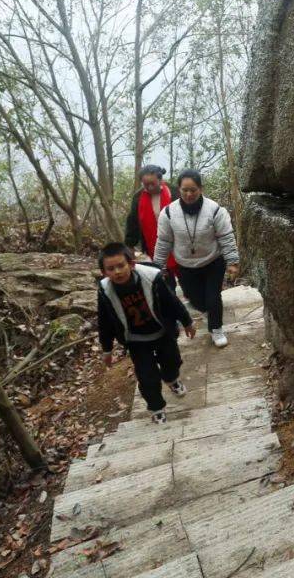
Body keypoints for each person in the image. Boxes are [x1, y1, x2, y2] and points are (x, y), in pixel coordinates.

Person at [97, 242, 196, 424]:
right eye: (111, 269)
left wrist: (187, 321)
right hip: (136, 340)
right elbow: (104, 321)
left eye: (121, 266)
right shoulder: (106, 292)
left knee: (172, 361)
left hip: (161, 331)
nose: (117, 272)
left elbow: (171, 301)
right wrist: (107, 349)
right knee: (147, 376)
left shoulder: (151, 278)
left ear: (132, 264)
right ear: (104, 272)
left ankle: (171, 379)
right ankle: (156, 407)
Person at [153, 169, 240, 348]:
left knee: (213, 297)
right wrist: (158, 266)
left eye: (193, 189)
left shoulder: (215, 210)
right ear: (179, 189)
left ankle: (216, 329)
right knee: (196, 300)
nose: (189, 194)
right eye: (185, 190)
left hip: (213, 261)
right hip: (185, 264)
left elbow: (226, 236)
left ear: (201, 189)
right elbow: (163, 242)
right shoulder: (168, 213)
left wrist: (232, 261)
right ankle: (208, 310)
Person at [124, 164, 179, 287]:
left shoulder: (174, 192)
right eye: (145, 184)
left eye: (152, 183)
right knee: (166, 277)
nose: (149, 187)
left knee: (185, 277)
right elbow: (132, 221)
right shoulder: (138, 197)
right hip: (153, 243)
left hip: (178, 241)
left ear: (160, 180)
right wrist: (130, 244)